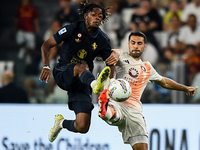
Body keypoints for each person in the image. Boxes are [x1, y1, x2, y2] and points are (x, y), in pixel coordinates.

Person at [97, 31, 198, 150]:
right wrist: (109, 53)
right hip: (116, 101)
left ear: (145, 46)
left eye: (139, 43)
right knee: (114, 112)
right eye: (133, 43)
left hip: (134, 110)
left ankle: (106, 111)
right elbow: (99, 53)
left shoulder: (147, 67)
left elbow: (164, 81)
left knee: (142, 148)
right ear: (128, 44)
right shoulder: (119, 55)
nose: (136, 46)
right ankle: (106, 109)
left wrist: (185, 88)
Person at [39, 2, 118, 142]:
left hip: (81, 82)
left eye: (100, 16)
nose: (97, 18)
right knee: (81, 66)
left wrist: (109, 87)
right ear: (86, 16)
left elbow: (111, 64)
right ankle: (95, 85)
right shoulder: (72, 28)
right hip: (63, 72)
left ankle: (61, 123)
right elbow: (46, 45)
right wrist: (46, 66)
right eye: (93, 15)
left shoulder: (103, 40)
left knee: (83, 126)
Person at [14, 0, 40, 64]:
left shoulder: (32, 9)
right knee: (20, 40)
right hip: (21, 29)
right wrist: (15, 27)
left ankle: (28, 55)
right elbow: (17, 18)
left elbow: (35, 19)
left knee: (31, 46)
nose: (24, 2)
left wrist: (37, 27)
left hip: (30, 30)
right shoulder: (20, 9)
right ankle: (23, 48)